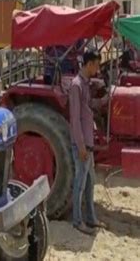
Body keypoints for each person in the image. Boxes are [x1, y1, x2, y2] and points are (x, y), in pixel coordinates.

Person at [69, 50, 108, 235]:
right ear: (89, 64)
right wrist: (82, 146)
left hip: (89, 142)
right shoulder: (76, 85)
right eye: (97, 64)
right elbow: (75, 119)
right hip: (82, 143)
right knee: (80, 183)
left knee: (90, 182)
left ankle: (91, 218)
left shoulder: (85, 84)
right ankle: (78, 221)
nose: (98, 68)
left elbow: (88, 108)